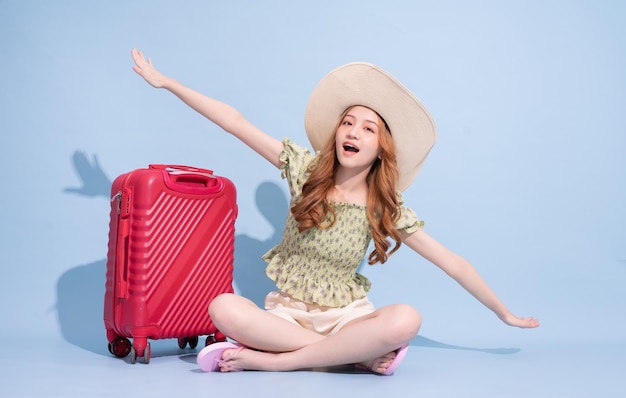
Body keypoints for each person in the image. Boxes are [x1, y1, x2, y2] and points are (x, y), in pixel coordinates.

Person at [130, 48, 540, 375]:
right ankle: (350, 358)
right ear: (337, 133)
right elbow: (236, 122)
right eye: (348, 122)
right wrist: (167, 83)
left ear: (382, 149)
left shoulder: (384, 207)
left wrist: (504, 313)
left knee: (405, 319)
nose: (354, 132)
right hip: (286, 316)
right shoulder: (304, 170)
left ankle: (277, 360)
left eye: (368, 128)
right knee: (222, 307)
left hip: (346, 320)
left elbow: (453, 263)